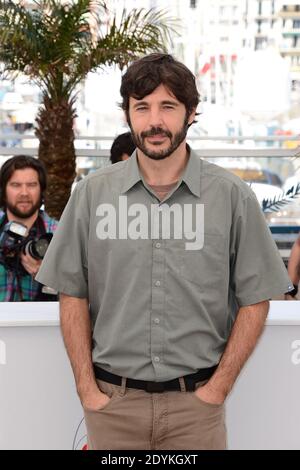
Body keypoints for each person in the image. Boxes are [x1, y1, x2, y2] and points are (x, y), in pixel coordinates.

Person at [36, 53, 293, 450]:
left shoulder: (231, 196)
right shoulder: (91, 194)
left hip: (198, 411)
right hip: (113, 408)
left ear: (191, 113)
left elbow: (256, 298)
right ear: (127, 115)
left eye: (168, 106)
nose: (155, 121)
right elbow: (73, 292)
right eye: (142, 107)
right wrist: (88, 391)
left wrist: (217, 389)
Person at [0, 155, 58, 301]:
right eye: (16, 185)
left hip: (40, 322)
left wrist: (48, 277)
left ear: (41, 189)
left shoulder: (59, 234)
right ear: (4, 191)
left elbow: (80, 294)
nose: (24, 193)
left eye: (31, 185)